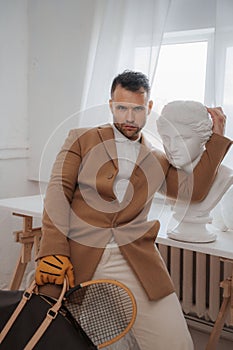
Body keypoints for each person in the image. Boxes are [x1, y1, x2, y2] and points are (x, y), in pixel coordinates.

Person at [35, 70, 231, 350]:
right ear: (111, 105)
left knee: (176, 343)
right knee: (49, 336)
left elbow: (195, 191)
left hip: (135, 258)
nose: (129, 117)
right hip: (76, 255)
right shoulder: (81, 138)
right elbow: (58, 190)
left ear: (148, 108)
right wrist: (52, 250)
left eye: (137, 109)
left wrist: (217, 139)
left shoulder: (158, 160)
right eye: (121, 108)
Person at [157, 100, 213, 173]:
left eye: (182, 139)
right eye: (166, 138)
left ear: (203, 136)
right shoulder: (159, 172)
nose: (172, 148)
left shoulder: (227, 181)